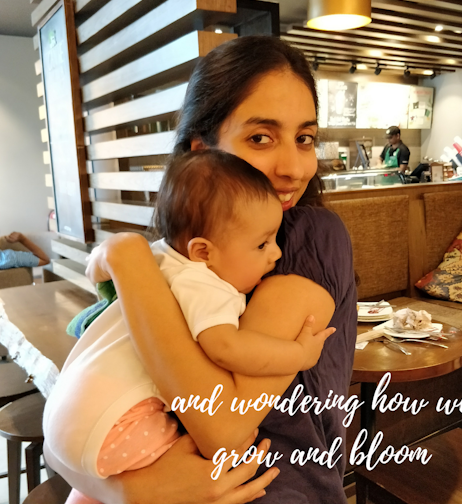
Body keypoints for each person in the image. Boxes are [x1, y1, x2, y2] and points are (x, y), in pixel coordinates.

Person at [44, 35, 357, 504]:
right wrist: (125, 490)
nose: (293, 168)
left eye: (305, 139)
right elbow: (64, 436)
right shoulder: (189, 254)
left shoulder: (308, 237)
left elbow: (222, 426)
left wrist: (128, 258)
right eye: (261, 137)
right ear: (201, 150)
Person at [44, 150, 334, 504]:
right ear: (203, 252)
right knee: (204, 458)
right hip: (117, 428)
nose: (275, 254)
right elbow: (226, 348)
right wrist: (298, 354)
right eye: (262, 244)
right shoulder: (203, 283)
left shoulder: (156, 257)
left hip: (67, 420)